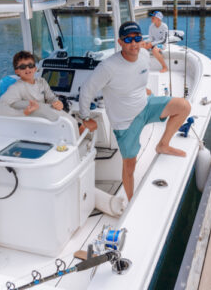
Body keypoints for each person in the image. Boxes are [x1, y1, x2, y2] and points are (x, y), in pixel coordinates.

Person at [79, 21, 191, 201]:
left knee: (184, 106)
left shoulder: (145, 55)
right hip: (125, 123)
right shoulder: (108, 67)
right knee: (130, 166)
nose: (133, 43)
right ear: (120, 42)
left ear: (141, 40)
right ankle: (131, 201)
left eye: (137, 38)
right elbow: (86, 91)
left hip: (145, 105)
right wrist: (85, 117)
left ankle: (163, 145)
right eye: (128, 39)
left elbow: (137, 77)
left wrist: (144, 90)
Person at [0, 51, 83, 134]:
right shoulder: (16, 88)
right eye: (22, 67)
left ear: (35, 68)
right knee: (79, 126)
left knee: (78, 125)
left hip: (48, 119)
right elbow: (0, 107)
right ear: (17, 71)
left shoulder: (42, 82)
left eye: (30, 65)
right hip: (35, 127)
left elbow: (51, 98)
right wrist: (23, 113)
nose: (27, 69)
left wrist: (57, 103)